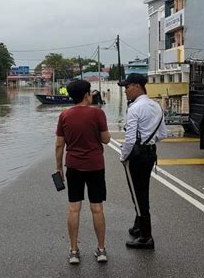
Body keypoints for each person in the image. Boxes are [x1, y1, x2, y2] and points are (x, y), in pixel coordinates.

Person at [55, 79, 111, 264]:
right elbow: (106, 140)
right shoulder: (98, 114)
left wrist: (58, 167)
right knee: (96, 208)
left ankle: (73, 251)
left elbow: (59, 145)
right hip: (95, 166)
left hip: (73, 166)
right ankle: (101, 250)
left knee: (74, 208)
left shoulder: (64, 115)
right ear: (87, 94)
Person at [118, 73, 167, 249]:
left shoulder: (134, 108)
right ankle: (138, 226)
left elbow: (130, 139)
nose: (125, 91)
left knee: (138, 194)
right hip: (150, 153)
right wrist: (149, 141)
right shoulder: (156, 105)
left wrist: (123, 156)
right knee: (142, 190)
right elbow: (163, 133)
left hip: (137, 155)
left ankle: (146, 236)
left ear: (137, 86)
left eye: (127, 87)